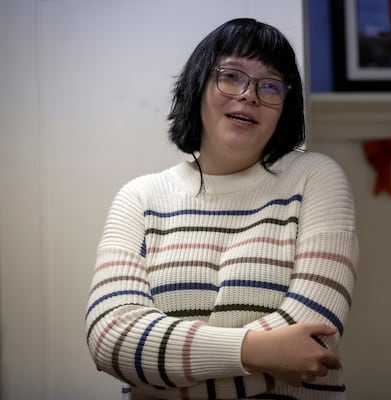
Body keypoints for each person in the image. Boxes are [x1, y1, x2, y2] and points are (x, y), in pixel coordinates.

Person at [85, 18, 358, 400]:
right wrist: (257, 352)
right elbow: (110, 337)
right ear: (198, 84)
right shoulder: (140, 197)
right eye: (231, 76)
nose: (249, 95)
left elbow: (312, 346)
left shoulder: (315, 177)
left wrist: (158, 376)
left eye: (270, 85)